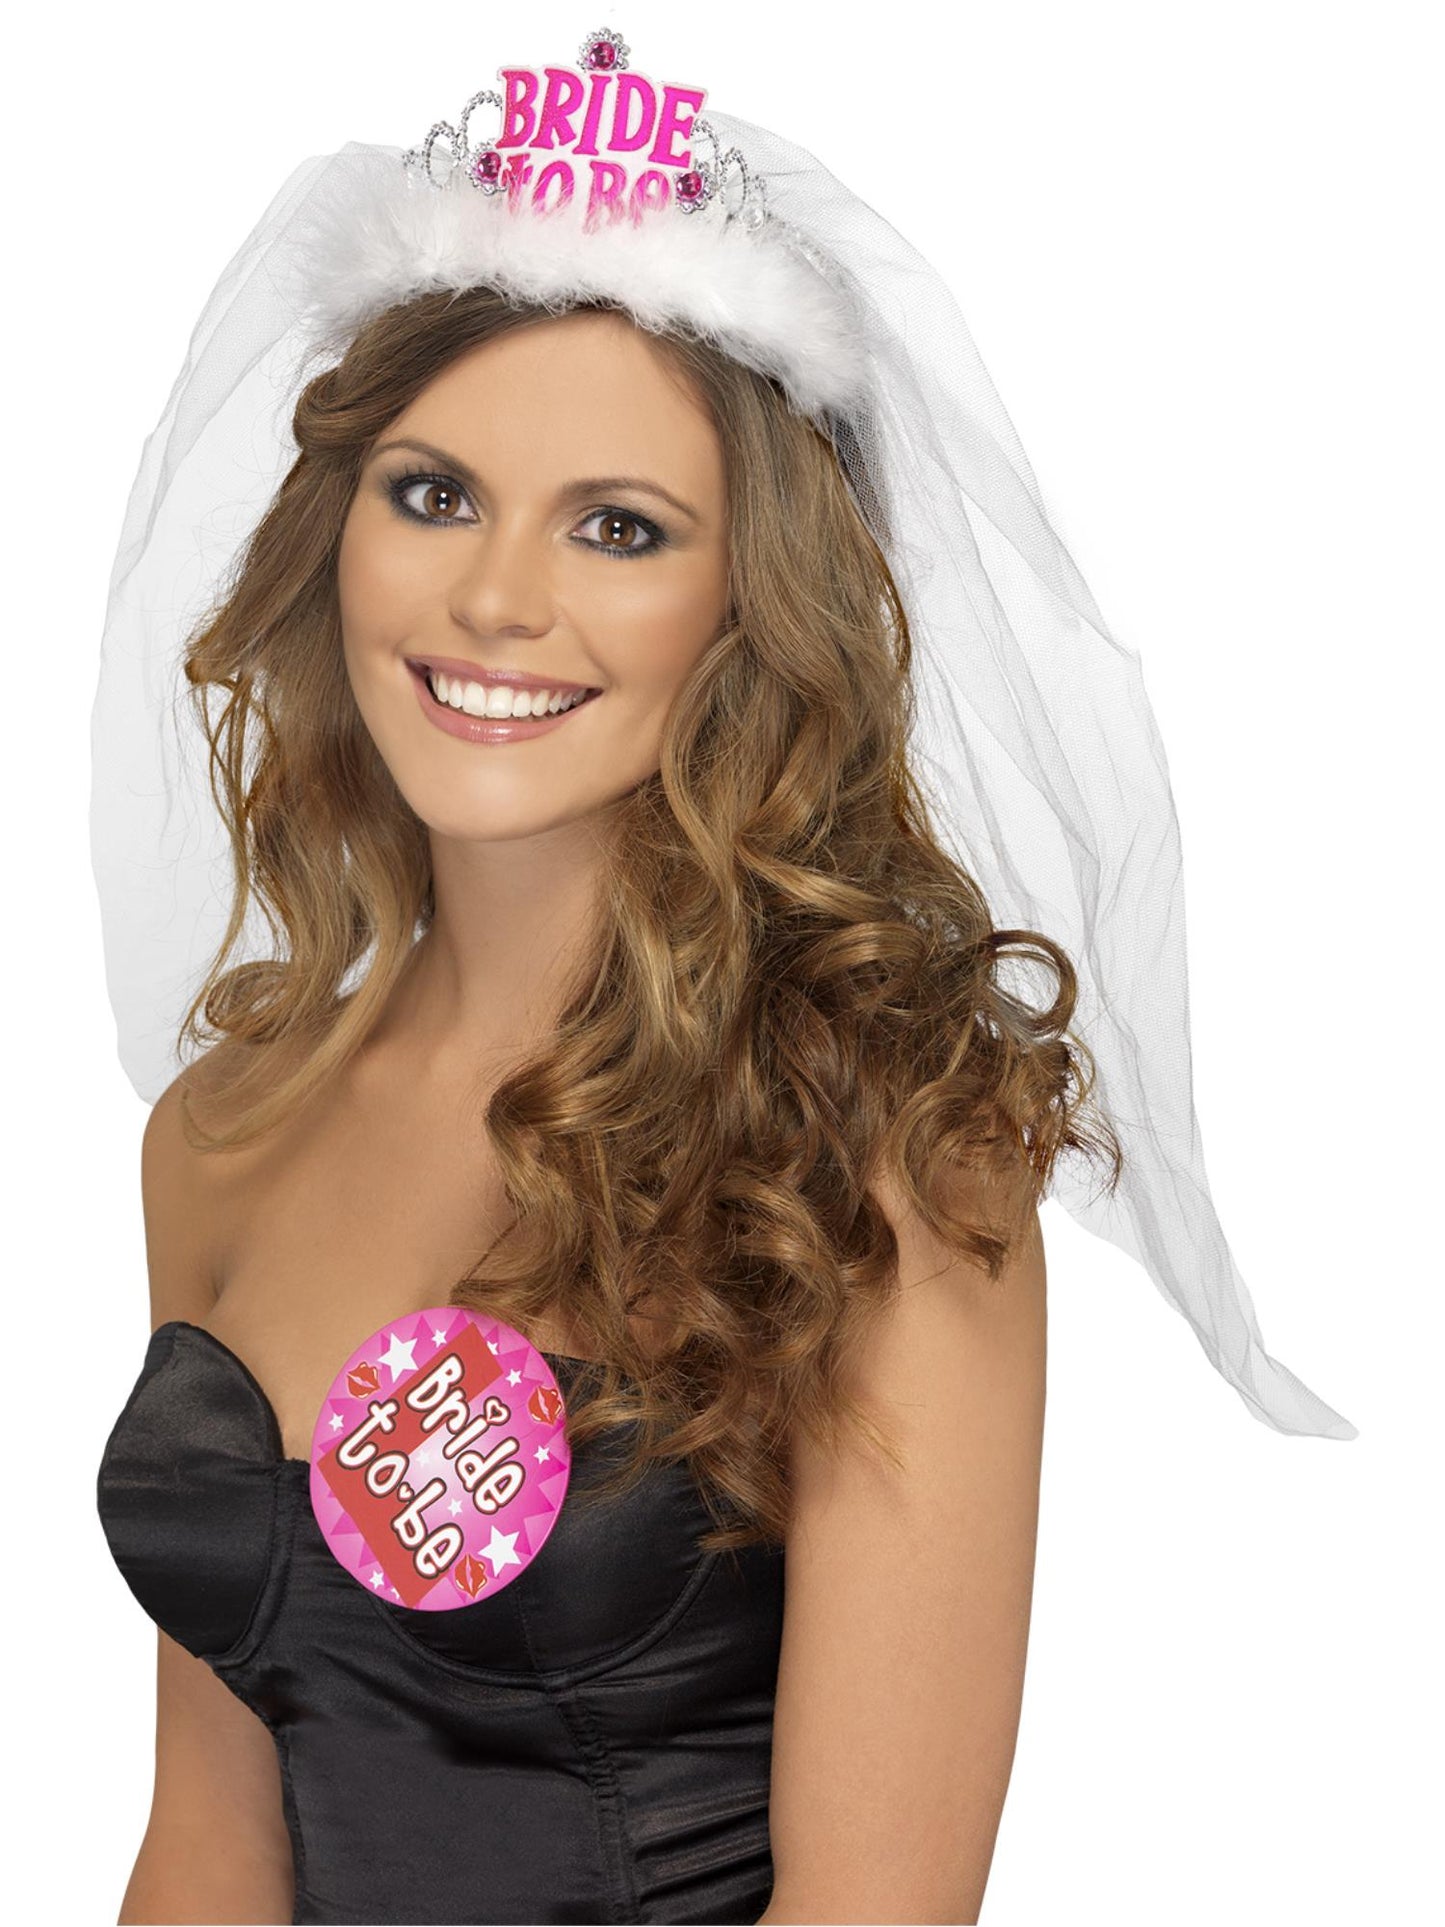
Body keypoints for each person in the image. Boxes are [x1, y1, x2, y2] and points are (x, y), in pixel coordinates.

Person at [92, 27, 1355, 1926]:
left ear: (748, 605)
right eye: (432, 494)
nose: (495, 597)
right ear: (330, 533)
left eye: (618, 528)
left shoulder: (874, 1148)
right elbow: (206, 1849)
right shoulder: (223, 1132)